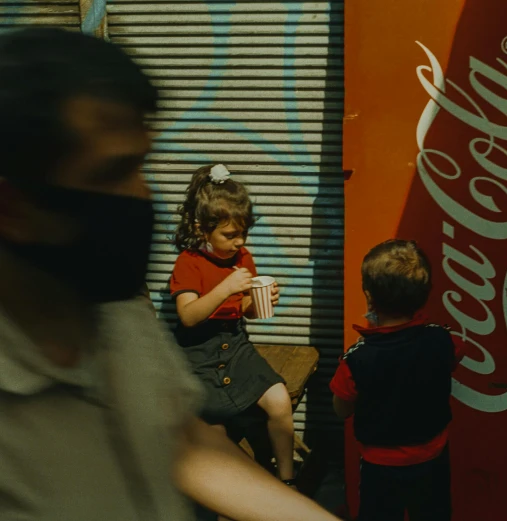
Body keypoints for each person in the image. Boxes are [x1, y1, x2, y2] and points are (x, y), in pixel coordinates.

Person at [0, 27, 337, 521]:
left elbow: (181, 440)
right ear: (12, 207)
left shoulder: (119, 318)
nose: (142, 196)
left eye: (141, 166)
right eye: (111, 174)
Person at [170, 164, 296, 489]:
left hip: (236, 346)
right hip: (198, 353)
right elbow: (188, 316)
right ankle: (225, 493)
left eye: (243, 233)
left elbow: (245, 312)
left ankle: (286, 479)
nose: (239, 242)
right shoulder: (189, 262)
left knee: (280, 399)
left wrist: (262, 300)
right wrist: (225, 288)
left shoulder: (243, 258)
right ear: (202, 230)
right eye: (230, 235)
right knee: (215, 431)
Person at [330, 240, 465, 521]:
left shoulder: (356, 358)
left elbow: (341, 409)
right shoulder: (443, 339)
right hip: (433, 458)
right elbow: (454, 358)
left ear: (369, 297)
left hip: (381, 466)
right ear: (425, 295)